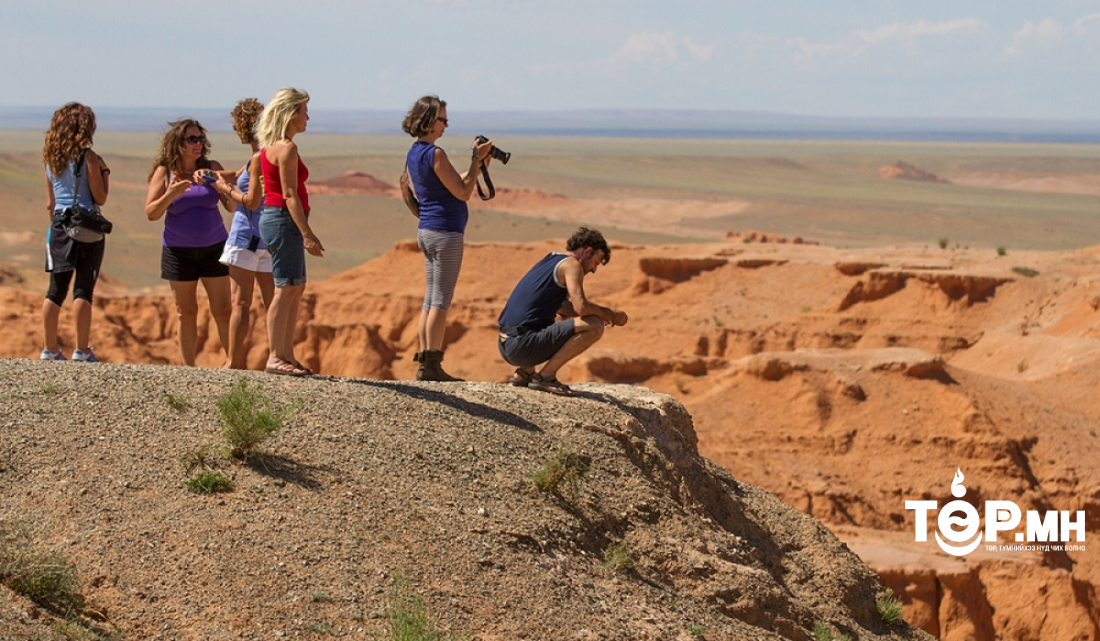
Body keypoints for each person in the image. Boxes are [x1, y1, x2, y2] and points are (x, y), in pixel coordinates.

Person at [401, 95, 494, 381]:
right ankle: (432, 366)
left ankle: (424, 361)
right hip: (445, 234)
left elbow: (447, 182)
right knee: (440, 302)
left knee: (430, 300)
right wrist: (476, 160)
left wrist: (478, 166)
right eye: (443, 119)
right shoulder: (436, 153)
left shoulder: (415, 152)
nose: (446, 125)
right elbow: (463, 192)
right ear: (430, 121)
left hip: (428, 231)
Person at [497, 227, 628, 396]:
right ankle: (546, 376)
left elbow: (563, 308)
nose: (594, 269)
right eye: (595, 262)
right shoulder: (572, 265)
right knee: (595, 325)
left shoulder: (552, 258)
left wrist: (598, 312)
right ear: (587, 252)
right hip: (522, 346)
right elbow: (581, 307)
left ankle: (525, 372)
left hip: (506, 343)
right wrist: (610, 315)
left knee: (562, 317)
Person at [144, 119, 233, 366]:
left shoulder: (211, 168)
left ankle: (233, 362)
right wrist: (170, 194)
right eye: (192, 139)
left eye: (200, 138)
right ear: (178, 143)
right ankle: (188, 368)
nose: (198, 144)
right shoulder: (165, 172)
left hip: (214, 247)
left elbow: (231, 206)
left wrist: (221, 186)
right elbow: (151, 212)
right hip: (178, 250)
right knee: (186, 312)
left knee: (223, 310)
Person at [255, 87, 321, 377]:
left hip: (279, 220)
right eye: (304, 111)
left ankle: (286, 354)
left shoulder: (271, 147)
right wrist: (307, 233)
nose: (307, 117)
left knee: (295, 286)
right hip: (283, 220)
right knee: (285, 288)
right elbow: (289, 194)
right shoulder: (286, 148)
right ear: (291, 114)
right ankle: (275, 356)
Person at [40, 102, 110, 363]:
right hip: (85, 224)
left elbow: (50, 203)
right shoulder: (88, 157)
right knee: (83, 290)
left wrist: (56, 229)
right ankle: (81, 350)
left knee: (55, 290)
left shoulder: (50, 159)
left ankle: (49, 349)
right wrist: (104, 171)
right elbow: (100, 197)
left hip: (59, 224)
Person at [210, 98, 274, 370]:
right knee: (273, 304)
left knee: (241, 304)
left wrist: (224, 190)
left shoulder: (257, 158)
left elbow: (250, 200)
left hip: (246, 236)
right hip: (268, 237)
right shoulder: (270, 154)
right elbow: (240, 174)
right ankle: (277, 356)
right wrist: (210, 174)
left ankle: (233, 362)